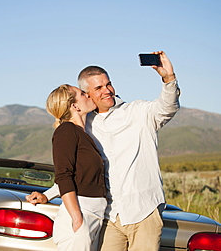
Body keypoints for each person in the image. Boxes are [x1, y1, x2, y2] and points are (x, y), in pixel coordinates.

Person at [26, 51, 180, 251]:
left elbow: (168, 107)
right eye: (98, 88)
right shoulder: (83, 126)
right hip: (108, 216)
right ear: (87, 94)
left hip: (143, 211)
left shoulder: (138, 112)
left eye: (108, 84)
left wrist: (168, 78)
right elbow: (75, 174)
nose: (107, 90)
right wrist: (48, 195)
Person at [38, 84, 107, 251]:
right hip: (80, 217)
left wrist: (46, 196)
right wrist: (77, 219)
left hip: (94, 216)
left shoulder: (83, 135)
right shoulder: (66, 131)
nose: (89, 95)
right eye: (83, 93)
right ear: (74, 106)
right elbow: (63, 175)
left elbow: (77, 176)